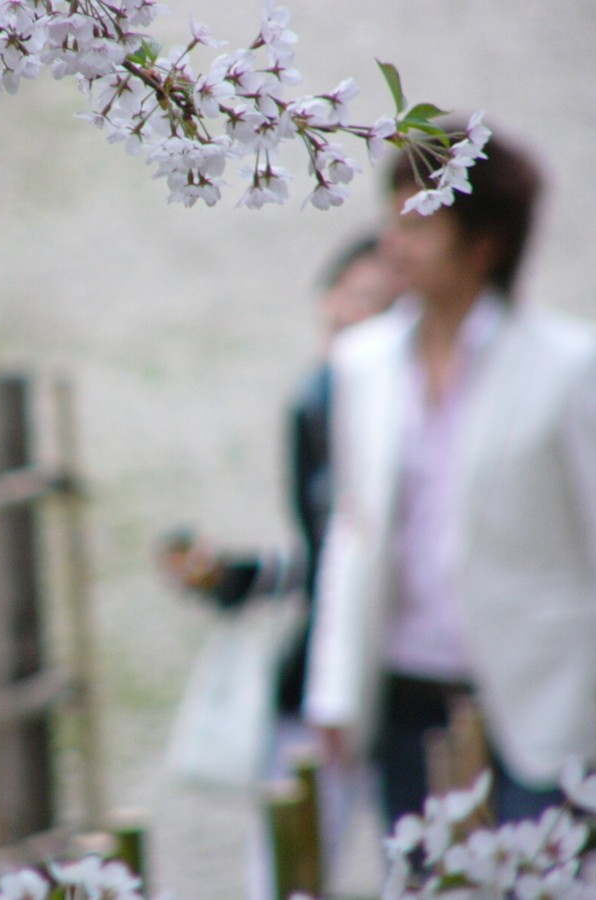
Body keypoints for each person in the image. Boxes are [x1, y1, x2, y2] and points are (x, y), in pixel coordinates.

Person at [303, 123, 596, 829]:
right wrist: (334, 691)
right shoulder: (362, 363)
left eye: (418, 225)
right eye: (392, 221)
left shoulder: (569, 365)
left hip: (541, 701)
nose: (394, 245)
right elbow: (353, 533)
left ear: (484, 244)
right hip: (407, 695)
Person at [159, 235, 402, 892]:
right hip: (320, 671)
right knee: (288, 868)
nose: (354, 315)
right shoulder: (311, 403)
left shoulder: (401, 413)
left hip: (404, 676)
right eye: (348, 296)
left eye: (378, 304)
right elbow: (328, 556)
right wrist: (242, 576)